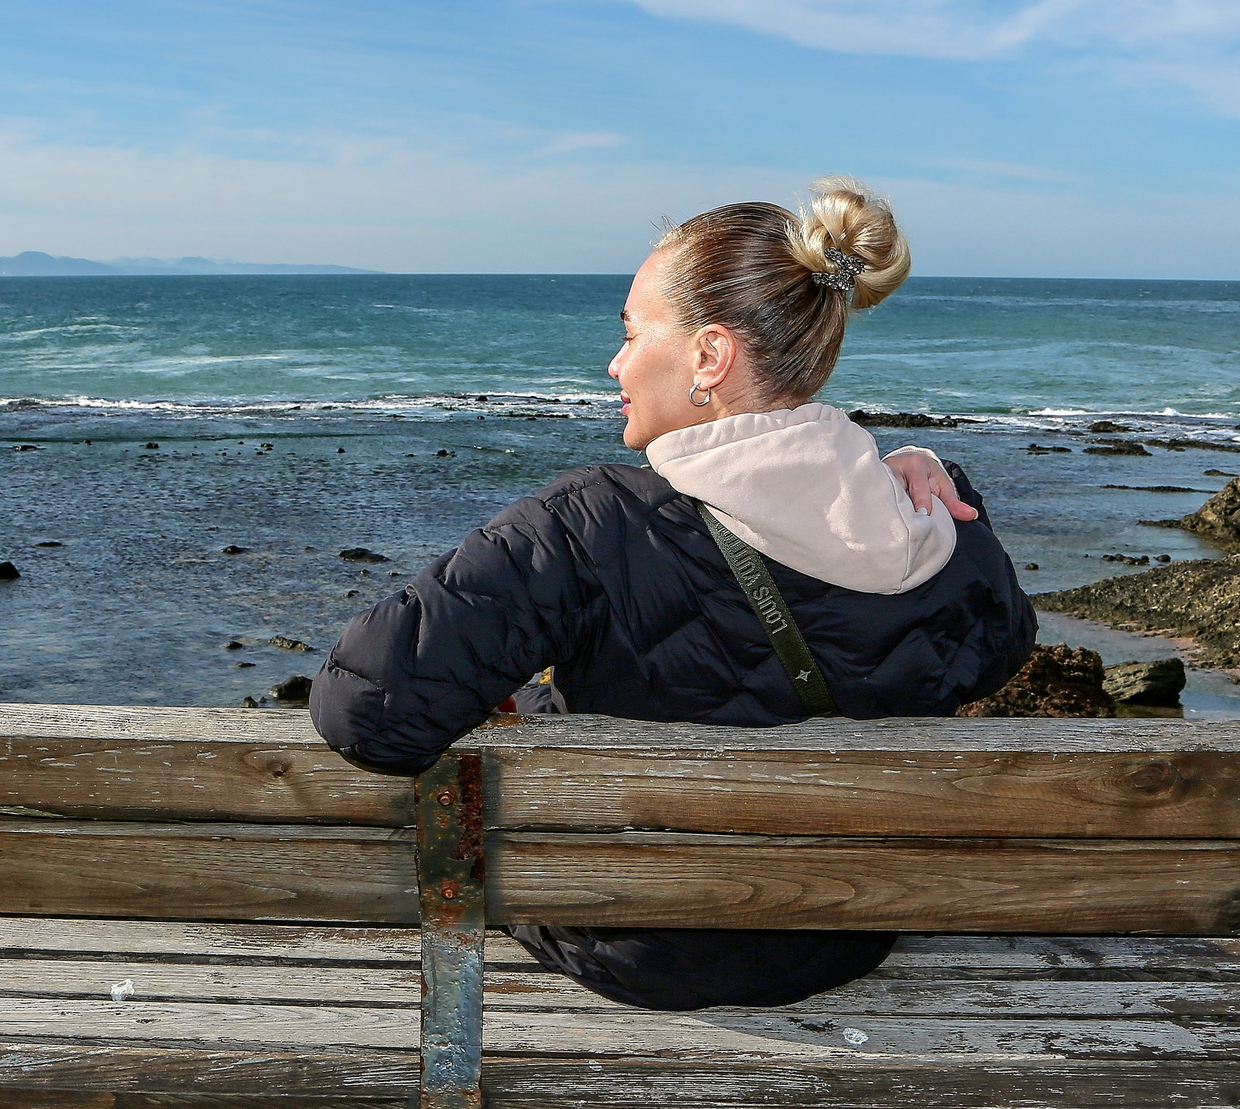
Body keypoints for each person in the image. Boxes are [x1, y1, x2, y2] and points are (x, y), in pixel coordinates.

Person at [309, 177, 1037, 1010]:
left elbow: (363, 709)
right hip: (845, 934)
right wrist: (928, 467)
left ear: (709, 356)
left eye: (631, 332)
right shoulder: (935, 522)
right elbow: (1002, 647)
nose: (615, 362)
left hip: (632, 944)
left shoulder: (589, 525)